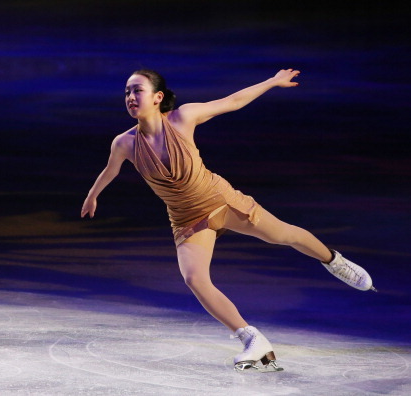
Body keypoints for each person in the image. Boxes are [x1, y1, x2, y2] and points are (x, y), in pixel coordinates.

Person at [80, 68, 376, 372]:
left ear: (157, 97)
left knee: (282, 235)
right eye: (127, 92)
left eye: (137, 90)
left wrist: (273, 82)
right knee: (195, 278)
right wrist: (93, 195)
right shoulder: (124, 143)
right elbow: (111, 169)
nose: (130, 97)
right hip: (185, 217)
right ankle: (251, 338)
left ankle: (334, 261)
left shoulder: (184, 118)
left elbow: (233, 101)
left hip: (220, 200)